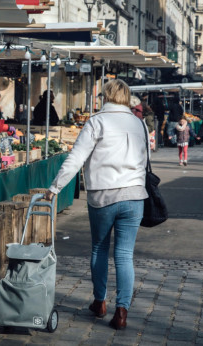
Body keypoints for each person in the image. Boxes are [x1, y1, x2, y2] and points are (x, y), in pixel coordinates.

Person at [44, 79, 148, 330]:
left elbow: (76, 158)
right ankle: (122, 311)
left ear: (106, 96)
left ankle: (100, 302)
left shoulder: (97, 122)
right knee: (124, 255)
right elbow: (146, 159)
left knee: (100, 249)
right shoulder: (139, 123)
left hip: (103, 195)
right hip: (134, 195)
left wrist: (55, 188)